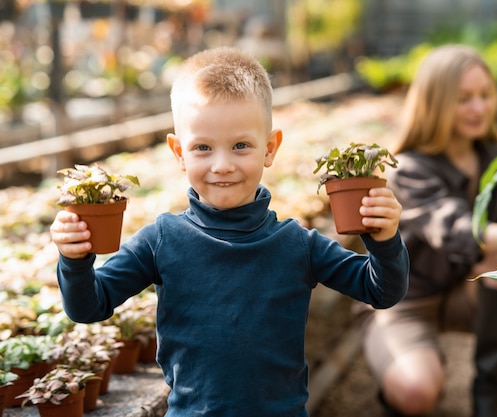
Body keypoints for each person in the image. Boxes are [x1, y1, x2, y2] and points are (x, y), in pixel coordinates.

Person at [50, 46, 410, 417]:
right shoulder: (162, 241)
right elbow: (88, 306)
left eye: (241, 146)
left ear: (270, 148)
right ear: (178, 152)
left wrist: (384, 240)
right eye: (202, 148)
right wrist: (74, 260)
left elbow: (380, 290)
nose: (222, 165)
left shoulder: (297, 245)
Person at [361, 44, 497, 417]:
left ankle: (486, 395)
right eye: (464, 98)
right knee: (417, 392)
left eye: (484, 95)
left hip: (468, 291)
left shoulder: (496, 159)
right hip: (403, 304)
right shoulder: (408, 168)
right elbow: (455, 231)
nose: (479, 108)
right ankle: (402, 384)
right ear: (435, 102)